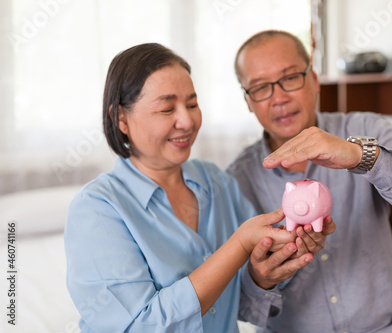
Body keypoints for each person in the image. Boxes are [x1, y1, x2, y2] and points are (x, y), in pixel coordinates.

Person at [64, 42, 335, 333]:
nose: (187, 120)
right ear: (121, 118)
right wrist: (239, 244)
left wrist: (265, 272)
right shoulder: (97, 209)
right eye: (167, 108)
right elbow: (139, 326)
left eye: (192, 104)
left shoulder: (215, 181)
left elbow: (242, 300)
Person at [227, 30, 392, 333]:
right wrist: (261, 278)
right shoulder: (235, 180)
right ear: (248, 101)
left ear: (313, 79)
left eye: (290, 78)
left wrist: (361, 156)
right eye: (260, 87)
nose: (279, 98)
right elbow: (239, 307)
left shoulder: (365, 127)